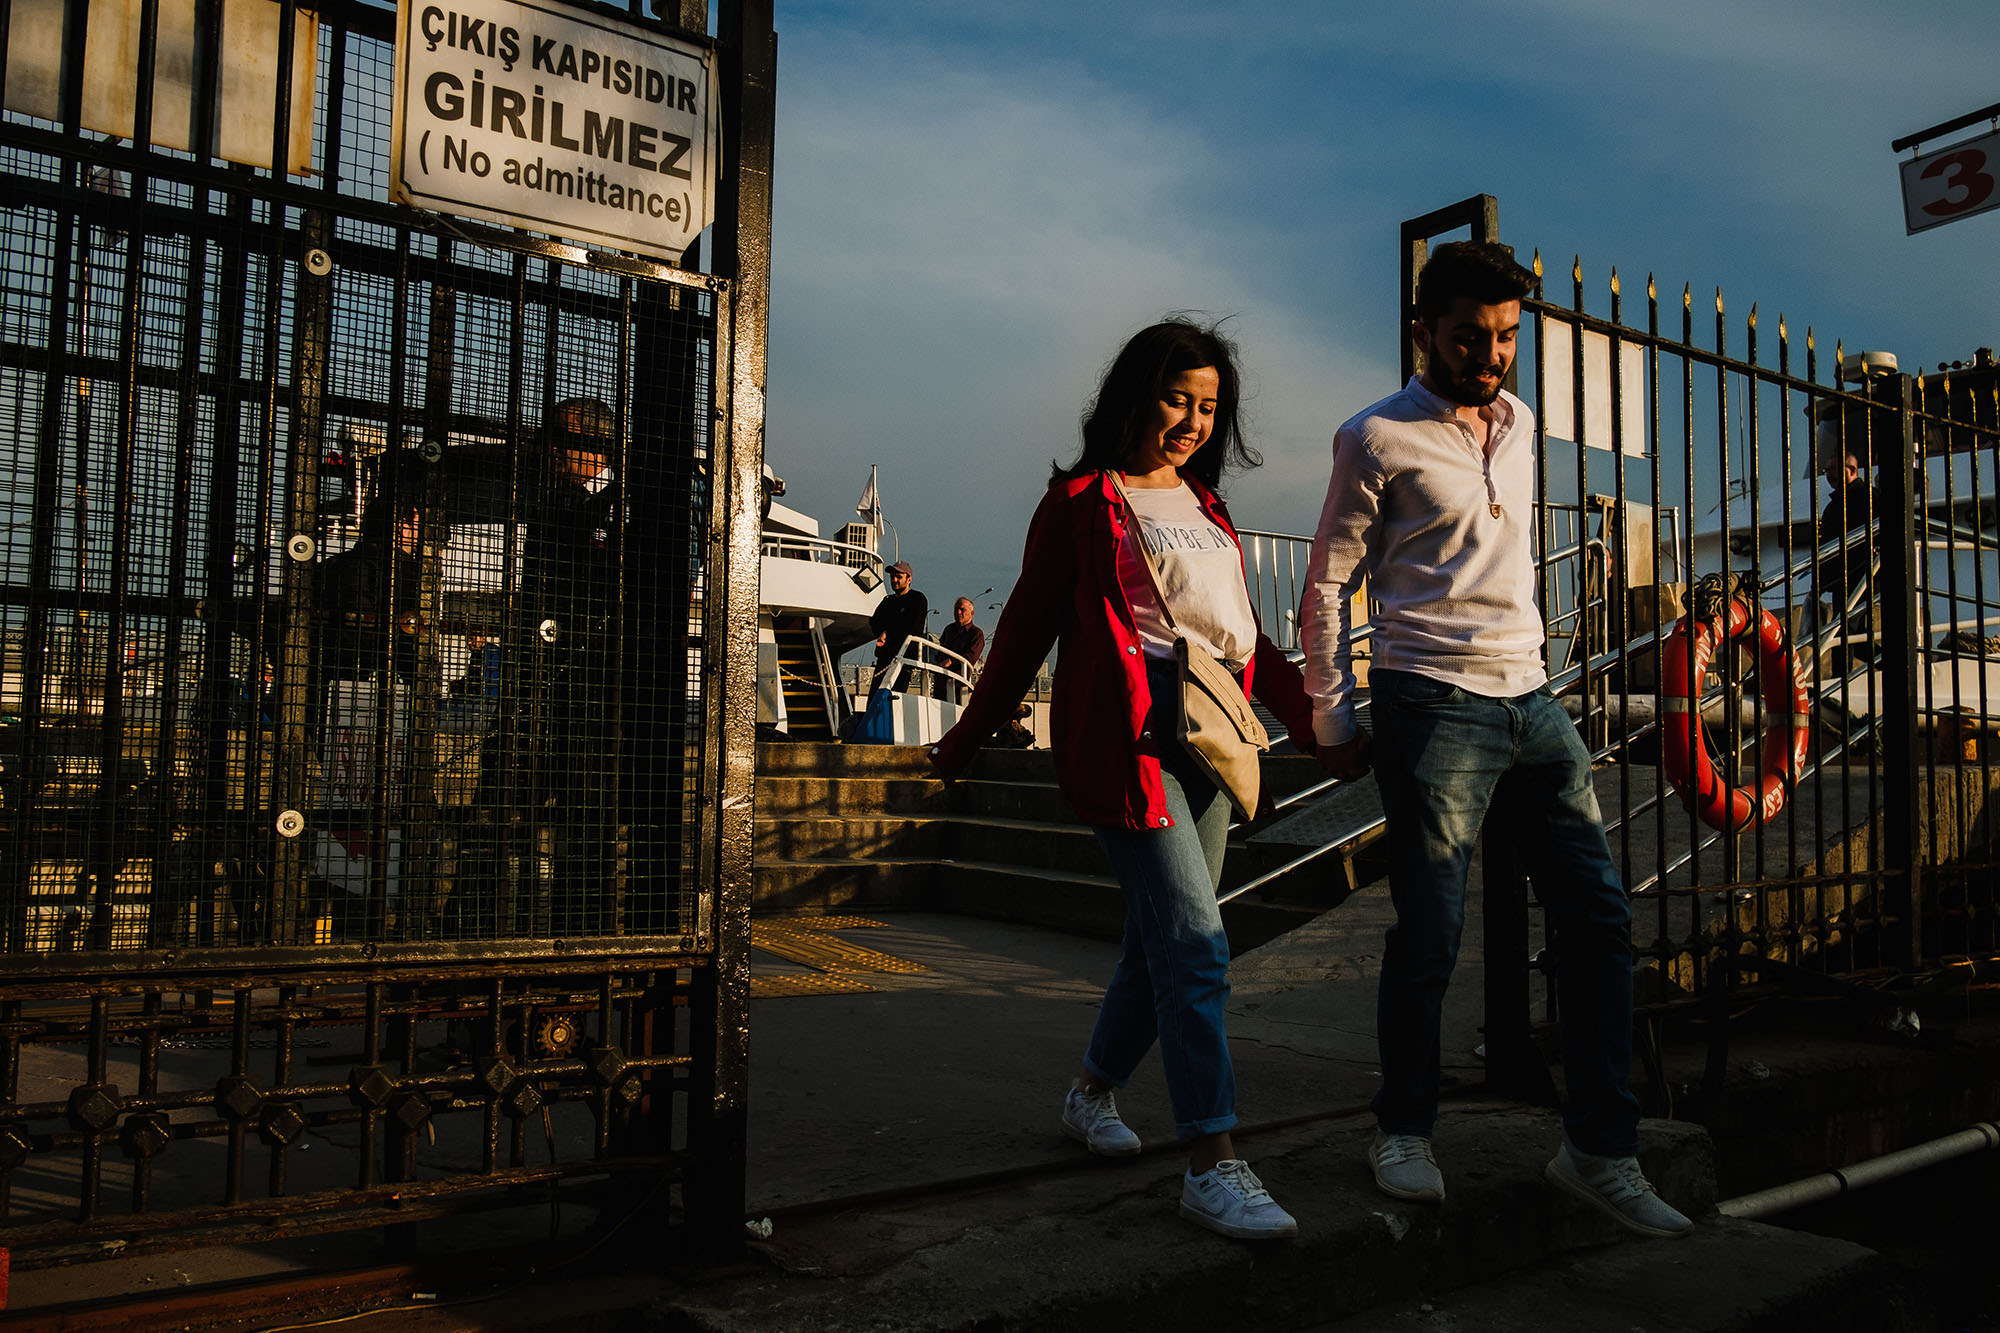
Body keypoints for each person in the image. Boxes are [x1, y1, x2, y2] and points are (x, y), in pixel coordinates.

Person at [1298, 241, 1692, 1239]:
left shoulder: (1516, 424)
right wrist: (1331, 709)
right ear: (1422, 330)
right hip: (1428, 697)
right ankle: (1404, 1127)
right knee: (1430, 929)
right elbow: (1325, 583)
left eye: (1506, 338)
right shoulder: (1374, 436)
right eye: (1469, 336)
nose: (1489, 355)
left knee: (1598, 921)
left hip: (1533, 698)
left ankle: (1598, 1149)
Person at [929, 320, 1317, 1240]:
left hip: (1215, 745)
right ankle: (1212, 1161)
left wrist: (1313, 718)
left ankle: (1090, 1091)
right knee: (1195, 943)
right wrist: (964, 739)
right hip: (1129, 748)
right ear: (1135, 396)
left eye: (1209, 406)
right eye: (1177, 398)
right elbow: (1024, 627)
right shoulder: (1080, 501)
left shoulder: (1209, 508)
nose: (1191, 419)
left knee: (1165, 944)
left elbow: (1243, 645)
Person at [869, 560, 928, 692]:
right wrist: (882, 633)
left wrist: (887, 633)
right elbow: (874, 622)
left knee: (894, 699)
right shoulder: (887, 601)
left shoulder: (917, 599)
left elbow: (913, 629)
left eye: (899, 577)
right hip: (884, 658)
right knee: (874, 699)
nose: (894, 580)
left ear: (909, 579)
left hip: (903, 659)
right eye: (892, 577)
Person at [933, 597, 985, 700]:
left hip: (959, 685)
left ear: (972, 613)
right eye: (956, 609)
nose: (958, 612)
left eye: (962, 609)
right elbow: (940, 650)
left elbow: (971, 657)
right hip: (941, 682)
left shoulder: (976, 634)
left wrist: (951, 661)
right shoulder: (948, 630)